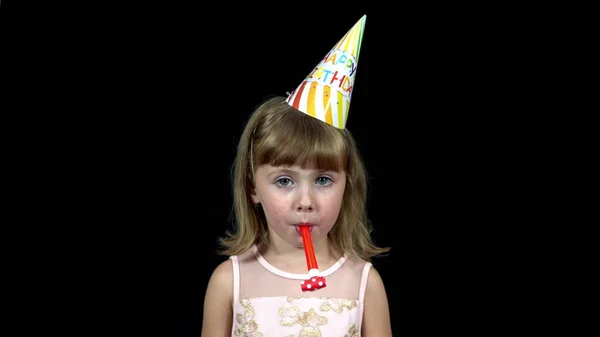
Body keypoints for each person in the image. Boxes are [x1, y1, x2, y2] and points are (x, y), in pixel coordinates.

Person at [201, 15, 392, 336]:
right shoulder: (228, 281)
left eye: (323, 180)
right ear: (252, 187)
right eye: (284, 181)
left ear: (348, 185)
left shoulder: (365, 283)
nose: (305, 201)